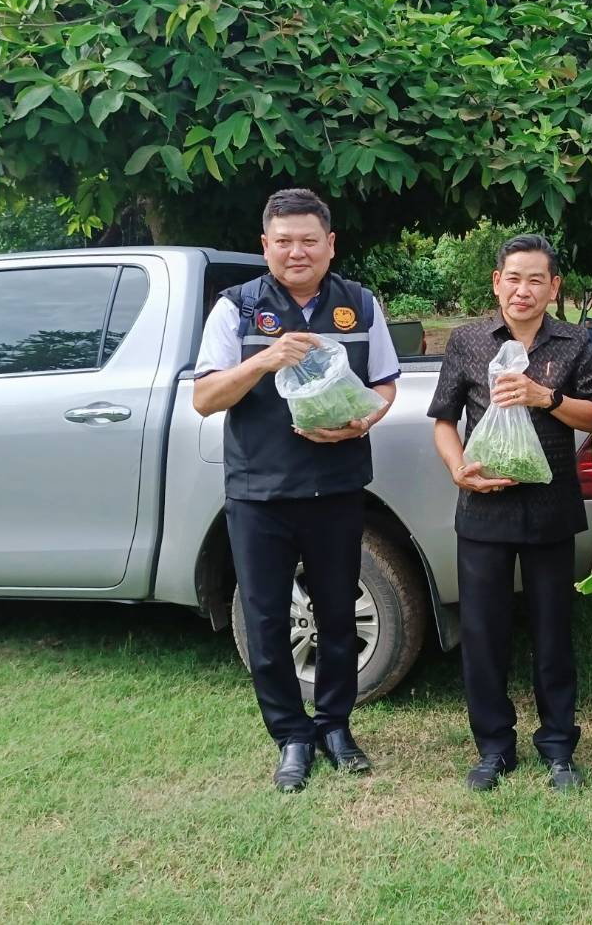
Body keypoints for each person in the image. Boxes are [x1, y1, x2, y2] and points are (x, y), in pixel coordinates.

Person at [193, 188, 400, 792]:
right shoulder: (236, 309)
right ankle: (290, 736)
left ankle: (335, 725)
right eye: (283, 241)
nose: (297, 251)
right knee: (265, 618)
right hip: (259, 493)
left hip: (336, 486)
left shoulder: (360, 305)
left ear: (330, 244)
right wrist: (264, 360)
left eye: (310, 239)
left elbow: (385, 384)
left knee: (337, 612)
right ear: (265, 246)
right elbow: (206, 398)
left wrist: (365, 420)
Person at [427, 234, 592, 792]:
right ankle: (494, 747)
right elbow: (444, 420)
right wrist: (458, 468)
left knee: (553, 630)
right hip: (483, 506)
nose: (522, 290)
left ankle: (557, 747)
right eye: (512, 277)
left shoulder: (574, 343)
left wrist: (542, 396)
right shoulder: (469, 341)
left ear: (554, 287)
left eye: (535, 279)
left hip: (551, 508)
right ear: (496, 282)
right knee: (483, 632)